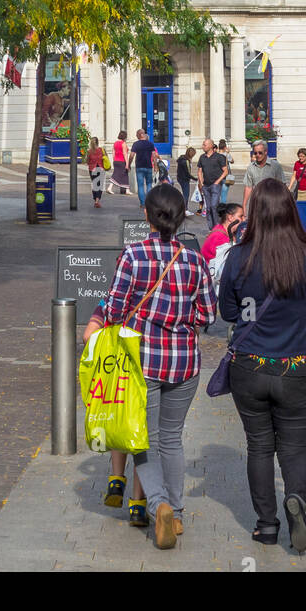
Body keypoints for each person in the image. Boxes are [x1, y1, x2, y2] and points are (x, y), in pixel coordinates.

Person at [91, 183, 215, 549]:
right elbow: (208, 314)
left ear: (147, 215)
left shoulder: (133, 256)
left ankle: (157, 504)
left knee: (145, 439)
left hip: (141, 362)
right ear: (180, 219)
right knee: (173, 438)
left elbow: (113, 309)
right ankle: (175, 513)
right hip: (184, 363)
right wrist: (180, 316)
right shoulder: (195, 260)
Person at [218, 178, 306, 552]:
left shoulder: (238, 257)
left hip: (250, 367)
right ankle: (296, 499)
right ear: (290, 210)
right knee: (296, 448)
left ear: (254, 214)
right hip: (298, 367)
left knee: (258, 447)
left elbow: (227, 312)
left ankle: (266, 526)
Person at [242, 140, 284, 213]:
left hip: (273, 203)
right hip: (257, 203)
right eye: (255, 153)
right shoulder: (251, 167)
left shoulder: (275, 166)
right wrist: (244, 205)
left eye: (260, 153)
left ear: (265, 152)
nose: (258, 155)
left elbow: (282, 185)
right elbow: (248, 187)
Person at [201, 201, 244, 268]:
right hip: (212, 273)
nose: (243, 220)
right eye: (241, 216)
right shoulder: (220, 237)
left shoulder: (222, 228)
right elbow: (231, 262)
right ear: (230, 217)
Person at [196, 137, 228, 215]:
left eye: (204, 145)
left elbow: (225, 171)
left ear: (211, 146)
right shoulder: (202, 157)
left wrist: (217, 182)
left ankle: (216, 225)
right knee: (209, 208)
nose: (202, 146)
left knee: (214, 206)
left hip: (215, 185)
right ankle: (212, 226)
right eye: (203, 145)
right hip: (206, 185)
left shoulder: (219, 157)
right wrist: (201, 182)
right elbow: (199, 171)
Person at [130, 129, 158, 207]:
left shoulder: (136, 144)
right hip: (148, 166)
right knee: (149, 184)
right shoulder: (150, 144)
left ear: (140, 135)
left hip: (139, 167)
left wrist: (128, 164)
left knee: (140, 185)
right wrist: (155, 166)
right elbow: (154, 155)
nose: (136, 136)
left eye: (136, 134)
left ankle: (142, 203)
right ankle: (148, 202)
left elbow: (132, 155)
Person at [86, 137, 107, 209]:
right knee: (99, 185)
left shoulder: (89, 151)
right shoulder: (102, 150)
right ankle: (97, 200)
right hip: (100, 168)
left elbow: (87, 161)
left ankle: (95, 199)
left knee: (94, 184)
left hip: (92, 169)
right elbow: (105, 158)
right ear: (98, 142)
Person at [110, 131, 130, 196]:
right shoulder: (123, 144)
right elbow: (125, 154)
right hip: (122, 161)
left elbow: (113, 152)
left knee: (123, 175)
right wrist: (127, 164)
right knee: (118, 175)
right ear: (124, 137)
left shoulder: (115, 143)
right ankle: (110, 187)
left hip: (116, 161)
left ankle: (127, 189)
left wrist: (114, 160)